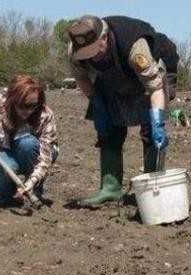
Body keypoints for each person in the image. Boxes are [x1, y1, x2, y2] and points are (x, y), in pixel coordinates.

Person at [67, 15, 178, 207]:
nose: (92, 57)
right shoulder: (75, 50)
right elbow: (82, 78)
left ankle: (153, 189)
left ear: (105, 38)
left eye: (94, 51)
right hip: (114, 78)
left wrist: (158, 121)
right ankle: (111, 189)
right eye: (86, 53)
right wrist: (97, 102)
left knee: (151, 129)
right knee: (108, 127)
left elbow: (155, 89)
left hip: (154, 73)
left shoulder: (135, 47)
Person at [0, 75, 58, 207]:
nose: (28, 110)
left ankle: (36, 191)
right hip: (7, 152)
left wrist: (31, 183)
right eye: (23, 105)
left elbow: (45, 159)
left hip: (34, 153)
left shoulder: (45, 115)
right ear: (11, 99)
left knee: (27, 144)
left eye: (33, 105)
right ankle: (8, 196)